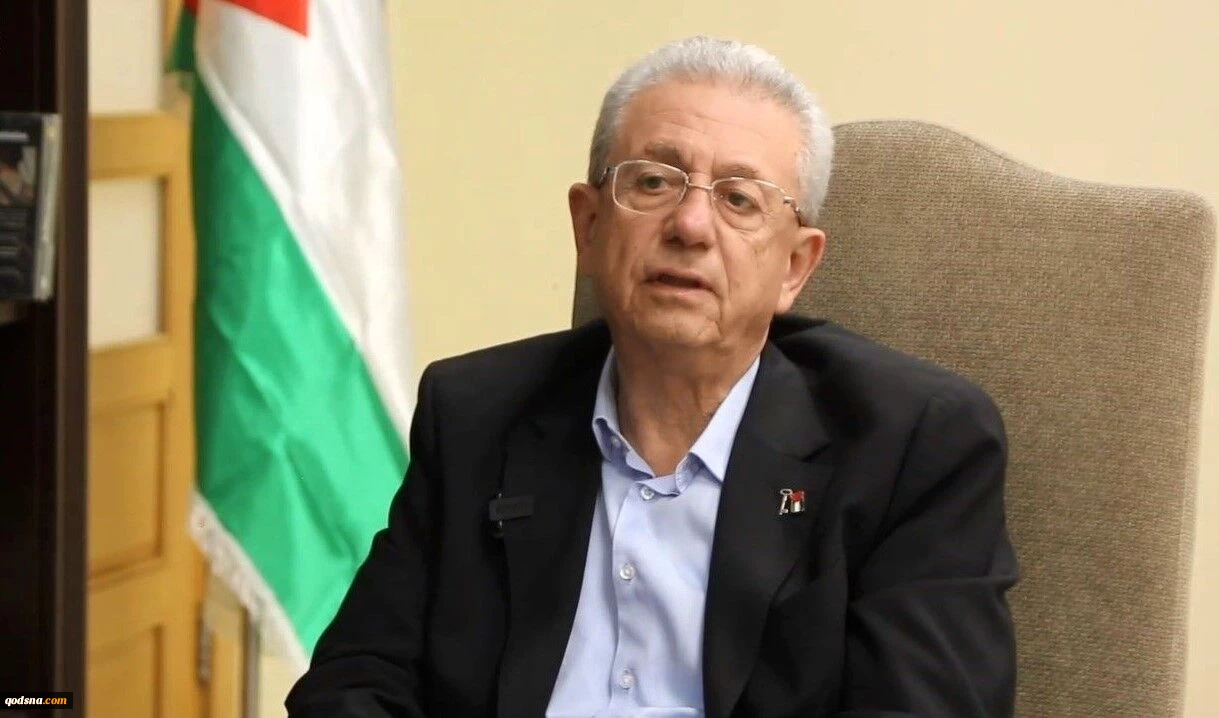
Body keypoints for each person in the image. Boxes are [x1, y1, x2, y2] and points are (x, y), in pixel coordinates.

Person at [286, 36, 1017, 718]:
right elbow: (356, 681)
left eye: (739, 198)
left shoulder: (912, 444)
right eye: (654, 182)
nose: (690, 226)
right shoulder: (476, 413)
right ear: (588, 226)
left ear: (795, 266)